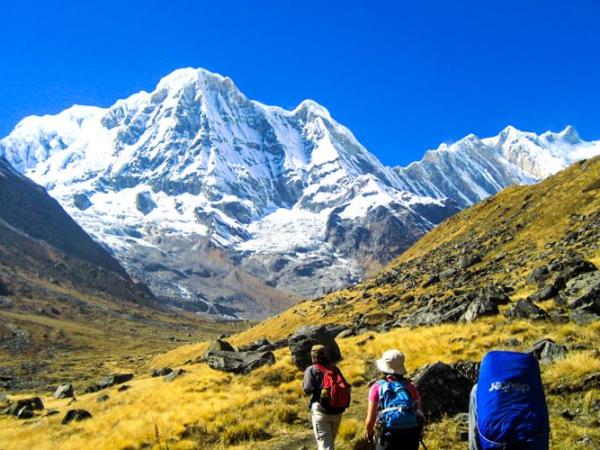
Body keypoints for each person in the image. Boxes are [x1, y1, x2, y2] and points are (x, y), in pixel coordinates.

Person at [365, 349, 424, 450]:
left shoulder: (377, 387)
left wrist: (369, 435)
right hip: (411, 435)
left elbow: (370, 421)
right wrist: (419, 434)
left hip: (388, 435)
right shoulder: (411, 387)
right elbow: (420, 415)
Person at [303, 345, 350, 450]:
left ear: (313, 356)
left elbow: (307, 389)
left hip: (320, 411)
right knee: (329, 443)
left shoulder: (311, 370)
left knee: (325, 445)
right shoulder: (334, 368)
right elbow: (346, 386)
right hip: (338, 410)